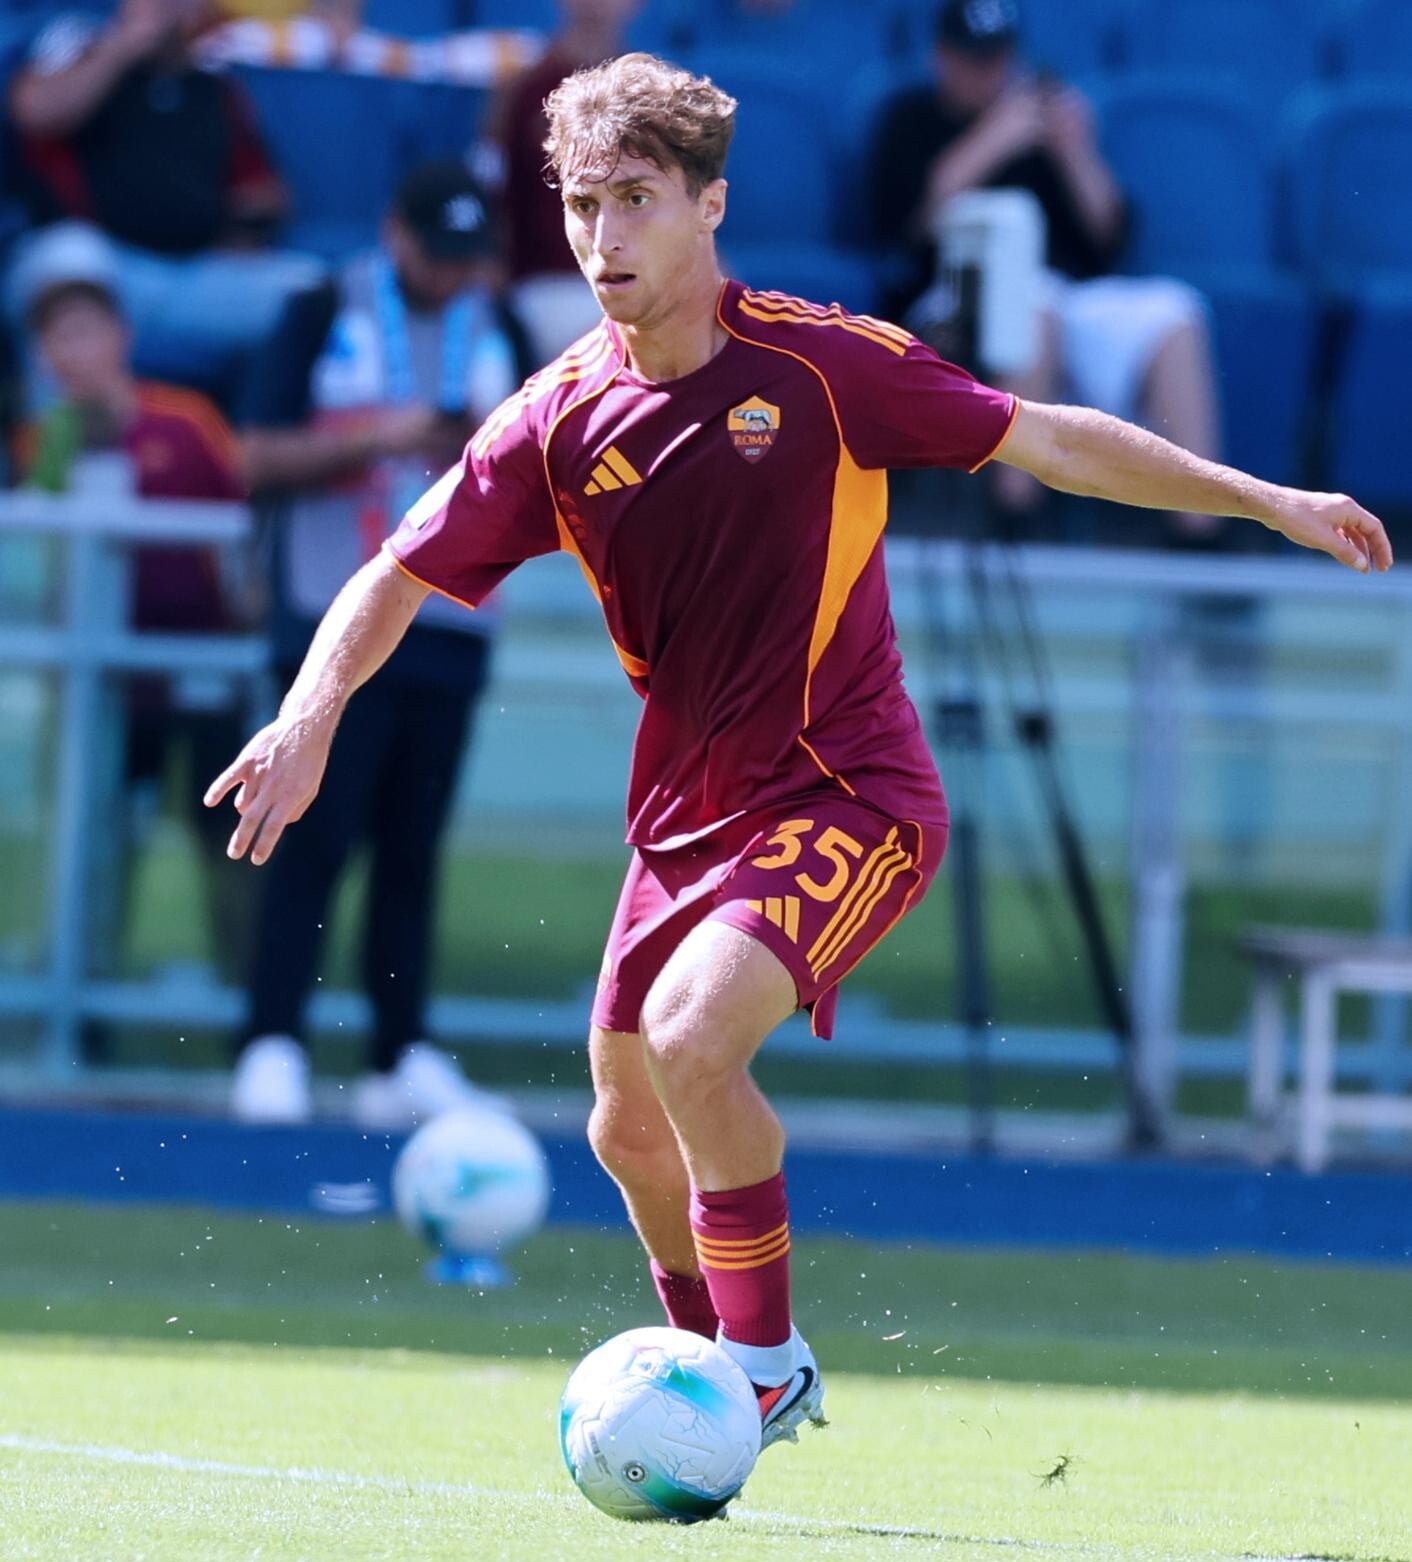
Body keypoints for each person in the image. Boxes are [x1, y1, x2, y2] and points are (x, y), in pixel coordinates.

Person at [205, 52, 1391, 1445]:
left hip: (850, 794)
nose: (602, 237)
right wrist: (308, 714)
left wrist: (1261, 498)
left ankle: (762, 1371)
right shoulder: (556, 419)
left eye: (636, 199)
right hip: (684, 819)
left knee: (693, 1041)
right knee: (624, 1129)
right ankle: (708, 1372)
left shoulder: (824, 368)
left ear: (709, 205)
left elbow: (1048, 441)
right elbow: (396, 571)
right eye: (581, 205)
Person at [228, 160, 520, 1128]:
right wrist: (373, 438)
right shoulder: (321, 307)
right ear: (395, 233)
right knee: (307, 835)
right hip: (331, 622)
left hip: (452, 624)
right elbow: (254, 453)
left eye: (466, 255)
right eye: (437, 253)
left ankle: (401, 1051)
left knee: (412, 848)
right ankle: (272, 1039)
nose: (452, 273)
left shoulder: (497, 323)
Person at [869, 0, 1223, 538]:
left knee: (1176, 314)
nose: (988, 73)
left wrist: (1077, 151)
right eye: (974, 60)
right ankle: (1017, 514)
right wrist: (995, 137)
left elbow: (1109, 239)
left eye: (997, 59)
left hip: (1070, 293)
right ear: (942, 58)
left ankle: (1199, 532)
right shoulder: (910, 116)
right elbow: (908, 226)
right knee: (1030, 306)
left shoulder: (1044, 126)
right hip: (957, 294)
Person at [15, 260, 253, 982]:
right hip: (101, 680)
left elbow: (242, 535)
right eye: (57, 338)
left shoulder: (188, 421)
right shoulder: (43, 439)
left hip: (203, 669)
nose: (73, 352)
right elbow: (42, 553)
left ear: (119, 336)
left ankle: (244, 992)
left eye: (84, 332)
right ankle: (82, 989)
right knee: (95, 834)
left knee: (228, 833)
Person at [6, 0, 323, 390]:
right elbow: (35, 112)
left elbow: (263, 192)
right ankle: (63, 430)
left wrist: (244, 231)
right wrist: (123, 44)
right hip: (110, 270)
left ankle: (266, 425)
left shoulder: (215, 89)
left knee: (308, 290)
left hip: (195, 275)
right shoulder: (84, 55)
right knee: (68, 259)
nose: (168, 9)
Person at [489, 0, 642, 368]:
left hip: (636, 280)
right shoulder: (523, 91)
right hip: (546, 287)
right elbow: (494, 194)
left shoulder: (652, 96)